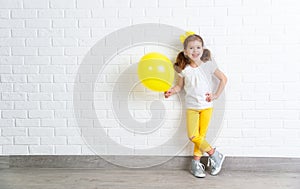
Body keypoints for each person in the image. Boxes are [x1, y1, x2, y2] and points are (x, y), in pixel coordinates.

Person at [164, 34, 227, 178]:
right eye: (191, 48)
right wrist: (171, 91)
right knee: (193, 136)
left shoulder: (209, 65)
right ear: (185, 51)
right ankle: (215, 154)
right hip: (192, 107)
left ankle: (196, 164)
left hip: (207, 106)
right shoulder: (184, 69)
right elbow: (179, 87)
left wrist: (216, 95)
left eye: (198, 47)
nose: (195, 51)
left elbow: (223, 79)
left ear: (203, 49)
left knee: (201, 136)